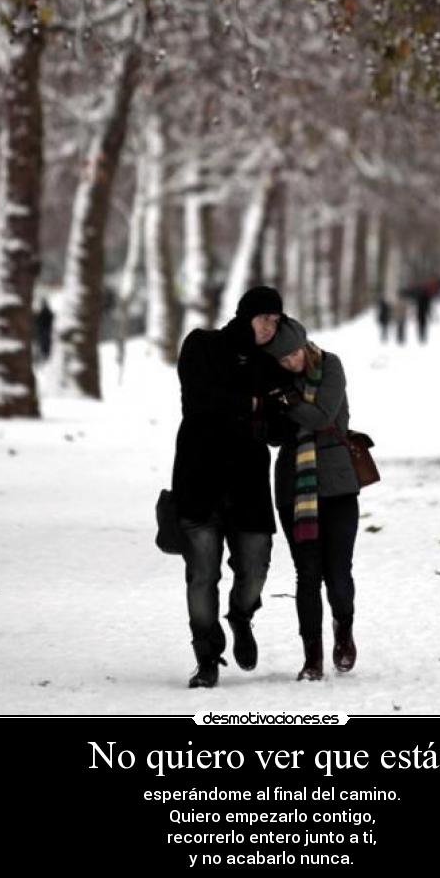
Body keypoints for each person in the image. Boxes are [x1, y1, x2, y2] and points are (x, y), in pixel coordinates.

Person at [171, 285, 285, 689]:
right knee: (201, 575)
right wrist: (253, 403)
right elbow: (199, 400)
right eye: (264, 318)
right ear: (244, 315)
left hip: (249, 483)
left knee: (255, 568)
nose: (270, 326)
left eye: (276, 320)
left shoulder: (270, 366)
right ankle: (206, 655)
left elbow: (277, 429)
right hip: (199, 478)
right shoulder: (201, 345)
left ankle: (241, 616)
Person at [264, 317, 360, 681]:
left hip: (336, 486)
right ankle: (312, 658)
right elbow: (274, 437)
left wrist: (287, 401)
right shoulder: (275, 380)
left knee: (337, 574)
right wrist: (277, 406)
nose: (289, 363)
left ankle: (344, 627)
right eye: (282, 360)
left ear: (304, 345)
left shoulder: (330, 366)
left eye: (292, 355)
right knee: (307, 575)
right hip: (293, 488)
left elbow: (322, 417)